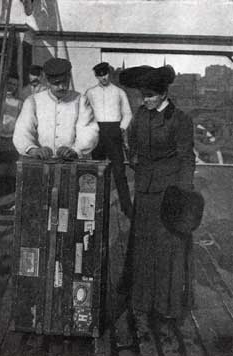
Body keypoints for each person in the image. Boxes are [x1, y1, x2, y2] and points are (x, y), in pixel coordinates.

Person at [119, 65, 196, 350]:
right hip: (145, 195)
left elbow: (187, 159)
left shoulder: (180, 120)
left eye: (149, 95)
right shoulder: (141, 115)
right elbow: (133, 145)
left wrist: (182, 197)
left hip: (169, 197)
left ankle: (165, 314)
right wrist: (135, 161)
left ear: (164, 93)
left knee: (167, 257)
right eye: (142, 95)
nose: (144, 100)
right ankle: (141, 311)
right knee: (142, 254)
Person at [13, 58, 99, 160]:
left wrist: (76, 150)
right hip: (40, 163)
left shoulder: (81, 100)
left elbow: (89, 130)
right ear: (48, 81)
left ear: (69, 78)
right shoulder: (33, 101)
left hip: (73, 161)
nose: (62, 87)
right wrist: (33, 150)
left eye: (65, 82)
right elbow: (22, 131)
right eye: (57, 83)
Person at [85, 62, 133, 218]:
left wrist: (121, 128)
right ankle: (96, 207)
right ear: (96, 76)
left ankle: (127, 208)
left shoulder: (119, 92)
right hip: (97, 133)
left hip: (114, 132)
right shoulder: (90, 93)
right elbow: (85, 114)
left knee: (119, 172)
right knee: (97, 172)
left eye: (105, 74)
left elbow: (127, 113)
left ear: (109, 74)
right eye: (99, 75)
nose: (103, 77)